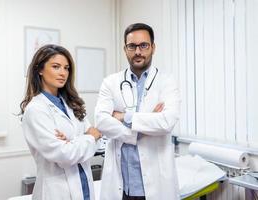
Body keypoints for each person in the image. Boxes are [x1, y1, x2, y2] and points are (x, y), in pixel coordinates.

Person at [95, 23, 180, 200]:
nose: (138, 51)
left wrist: (123, 116)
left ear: (153, 47)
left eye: (144, 45)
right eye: (132, 46)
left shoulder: (167, 82)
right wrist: (139, 130)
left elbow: (167, 122)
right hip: (121, 186)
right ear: (125, 49)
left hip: (156, 185)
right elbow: (101, 121)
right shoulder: (110, 82)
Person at [20, 44, 102, 200]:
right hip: (56, 191)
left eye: (66, 68)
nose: (63, 73)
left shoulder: (73, 104)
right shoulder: (36, 110)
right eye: (56, 67)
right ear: (40, 70)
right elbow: (64, 154)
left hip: (84, 185)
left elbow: (96, 141)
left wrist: (73, 142)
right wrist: (88, 138)